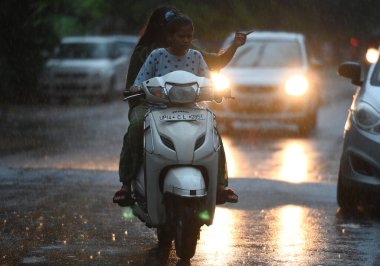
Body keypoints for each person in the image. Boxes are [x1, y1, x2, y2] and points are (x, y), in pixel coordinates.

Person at [113, 6, 246, 206]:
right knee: (136, 126)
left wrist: (234, 46)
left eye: (188, 35)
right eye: (177, 32)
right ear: (166, 32)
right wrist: (139, 94)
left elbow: (213, 67)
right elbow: (135, 84)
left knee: (213, 130)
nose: (184, 40)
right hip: (150, 106)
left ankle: (220, 185)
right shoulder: (149, 53)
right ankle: (127, 184)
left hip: (188, 106)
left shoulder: (193, 54)